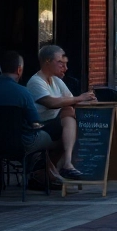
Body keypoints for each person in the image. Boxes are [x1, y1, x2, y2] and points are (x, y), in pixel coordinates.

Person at [0, 51, 61, 192]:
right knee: (59, 138)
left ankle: (45, 173)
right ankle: (43, 175)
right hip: (23, 143)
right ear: (19, 69)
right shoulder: (23, 92)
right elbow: (35, 121)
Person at [27, 45, 95, 179]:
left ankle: (56, 168)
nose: (65, 68)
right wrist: (80, 98)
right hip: (40, 127)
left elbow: (71, 100)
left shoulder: (56, 80)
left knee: (72, 115)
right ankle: (65, 164)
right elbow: (51, 103)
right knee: (68, 111)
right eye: (60, 62)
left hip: (54, 125)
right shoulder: (35, 81)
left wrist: (90, 100)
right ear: (47, 61)